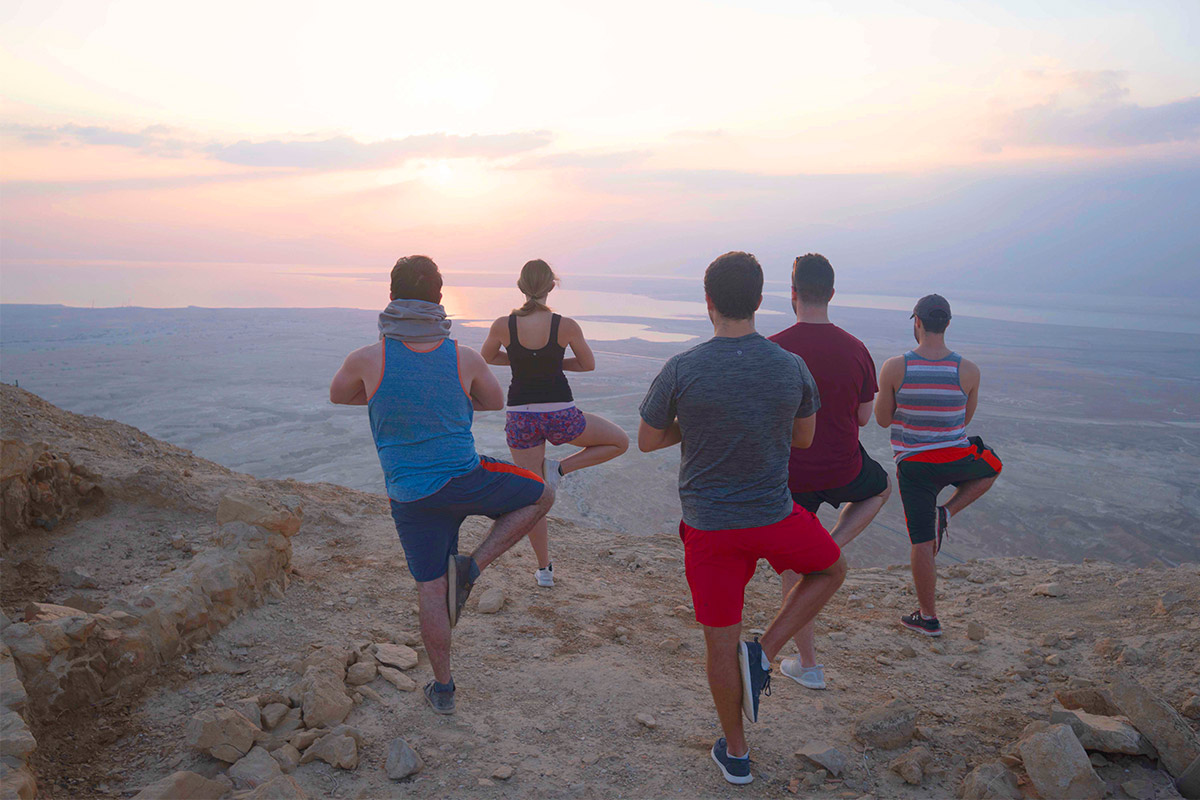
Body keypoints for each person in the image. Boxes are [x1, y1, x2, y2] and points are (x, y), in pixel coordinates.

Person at [638, 251, 847, 786]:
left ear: (708, 302)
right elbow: (803, 438)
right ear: (759, 301)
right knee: (831, 568)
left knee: (718, 644)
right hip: (774, 515)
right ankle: (767, 652)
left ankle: (736, 753)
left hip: (709, 530)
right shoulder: (789, 366)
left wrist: (697, 421)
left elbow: (647, 440)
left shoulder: (683, 367)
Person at [329, 255, 557, 715]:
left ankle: (444, 689)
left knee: (431, 590)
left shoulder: (367, 359)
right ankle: (473, 567)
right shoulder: (462, 357)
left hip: (411, 497)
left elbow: (341, 394)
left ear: (391, 297)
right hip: (467, 480)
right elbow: (492, 402)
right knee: (542, 492)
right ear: (439, 298)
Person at [768, 253, 890, 690]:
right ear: (832, 294)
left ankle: (809, 666)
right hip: (844, 466)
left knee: (792, 571)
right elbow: (862, 419)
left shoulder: (774, 348)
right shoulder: (855, 348)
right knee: (880, 489)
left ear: (793, 293)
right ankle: (831, 545)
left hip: (790, 472)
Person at [481, 259, 629, 588]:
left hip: (521, 417)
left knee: (534, 497)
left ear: (521, 286)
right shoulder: (566, 325)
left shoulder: (503, 325)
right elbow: (588, 364)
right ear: (552, 286)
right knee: (619, 441)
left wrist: (519, 361)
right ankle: (560, 470)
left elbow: (487, 356)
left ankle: (544, 571)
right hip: (561, 414)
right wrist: (554, 362)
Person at [875, 294, 1002, 637]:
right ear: (947, 324)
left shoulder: (895, 367)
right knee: (991, 465)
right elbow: (962, 422)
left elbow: (883, 420)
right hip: (954, 457)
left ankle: (928, 617)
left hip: (914, 465)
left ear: (916, 321)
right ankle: (946, 512)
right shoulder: (970, 370)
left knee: (920, 540)